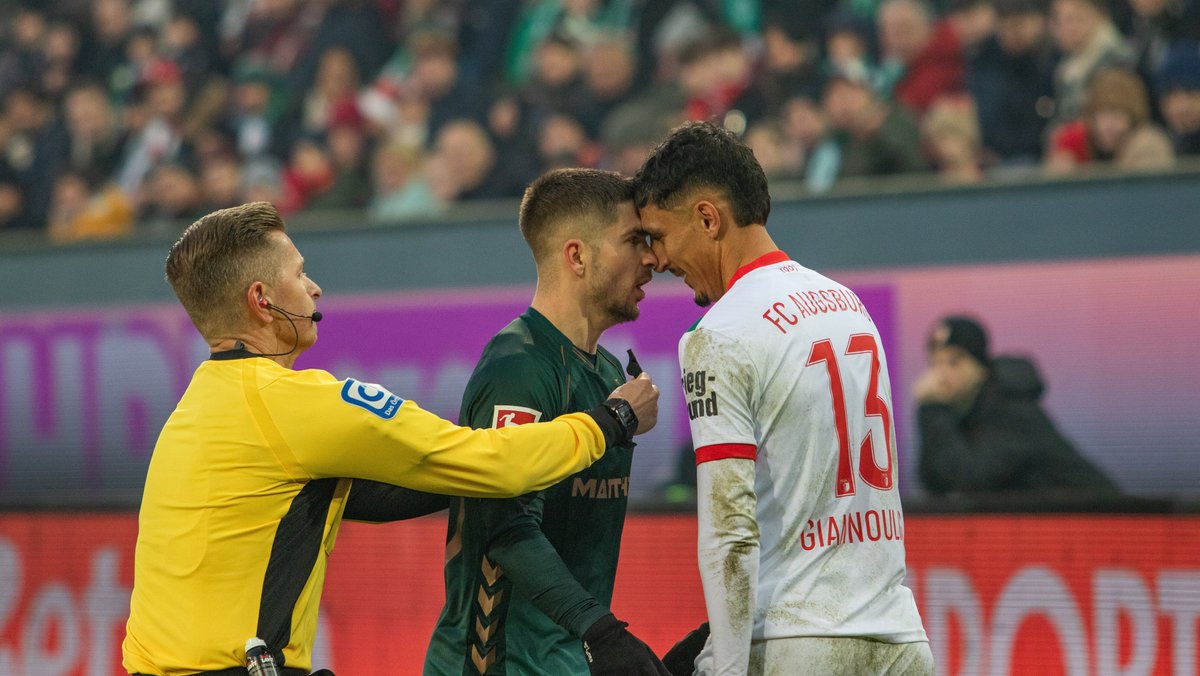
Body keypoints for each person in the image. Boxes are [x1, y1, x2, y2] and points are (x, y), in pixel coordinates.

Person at [122, 201, 659, 676]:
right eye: (300, 274)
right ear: (262, 299)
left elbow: (379, 494)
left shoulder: (196, 410)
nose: (314, 288)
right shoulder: (296, 402)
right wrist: (612, 420)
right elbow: (488, 463)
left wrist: (457, 477)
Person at [633, 122, 931, 676]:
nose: (658, 259)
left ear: (707, 218)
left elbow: (729, 531)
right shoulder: (847, 305)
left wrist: (724, 666)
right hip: (901, 640)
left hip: (797, 642)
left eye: (659, 234)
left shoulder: (716, 335)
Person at [424, 169, 667, 676]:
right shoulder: (519, 365)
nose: (651, 259)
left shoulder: (606, 372)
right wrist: (600, 629)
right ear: (577, 256)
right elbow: (505, 526)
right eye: (632, 241)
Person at [915, 315, 1119, 495]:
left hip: (1102, 523)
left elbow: (968, 483)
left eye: (954, 362)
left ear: (980, 367)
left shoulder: (1010, 407)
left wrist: (933, 409)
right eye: (934, 363)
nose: (940, 375)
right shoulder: (963, 411)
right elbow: (936, 483)